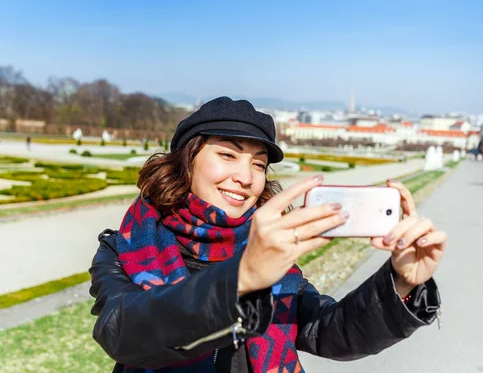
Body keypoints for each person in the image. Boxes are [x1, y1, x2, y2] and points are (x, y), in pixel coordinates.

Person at [89, 96, 447, 373]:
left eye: (258, 163)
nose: (246, 177)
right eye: (228, 155)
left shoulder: (265, 249)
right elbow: (123, 332)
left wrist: (400, 284)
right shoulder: (126, 247)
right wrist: (242, 280)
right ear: (186, 160)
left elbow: (330, 332)